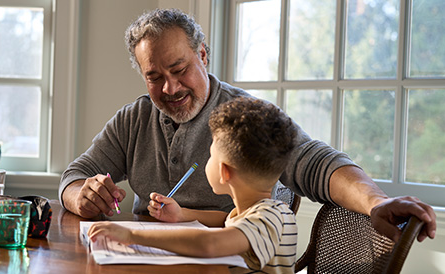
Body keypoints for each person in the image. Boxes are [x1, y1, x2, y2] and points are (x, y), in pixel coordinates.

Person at [60, 8, 436, 243]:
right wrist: (80, 194)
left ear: (202, 55)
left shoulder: (247, 116)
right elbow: (75, 174)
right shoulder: (134, 119)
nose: (170, 88)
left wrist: (377, 202)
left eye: (179, 70)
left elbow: (315, 163)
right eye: (154, 76)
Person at [88, 97, 299, 273]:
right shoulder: (253, 212)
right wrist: (182, 214)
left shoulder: (271, 216)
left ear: (225, 172)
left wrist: (131, 235)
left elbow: (210, 244)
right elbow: (226, 220)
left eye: (210, 155)